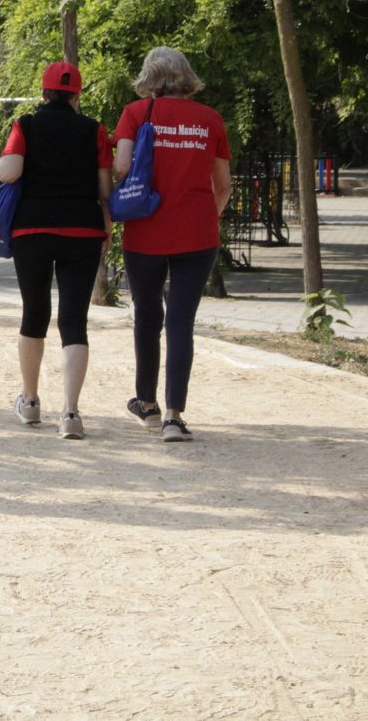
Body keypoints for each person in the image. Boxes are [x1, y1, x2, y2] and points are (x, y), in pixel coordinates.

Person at [112, 47, 232, 442]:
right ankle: (175, 417)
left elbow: (123, 167)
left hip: (145, 230)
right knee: (181, 322)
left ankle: (147, 404)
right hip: (198, 233)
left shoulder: (135, 113)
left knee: (147, 316)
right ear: (186, 76)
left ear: (150, 76)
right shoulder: (210, 119)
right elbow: (223, 184)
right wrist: (207, 218)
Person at [0, 61, 113, 440]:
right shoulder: (94, 130)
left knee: (34, 313)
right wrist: (106, 226)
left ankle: (29, 402)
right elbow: (105, 188)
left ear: (43, 92)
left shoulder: (25, 126)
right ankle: (71, 413)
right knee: (74, 321)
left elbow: (8, 171)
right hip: (82, 229)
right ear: (77, 94)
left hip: (32, 229)